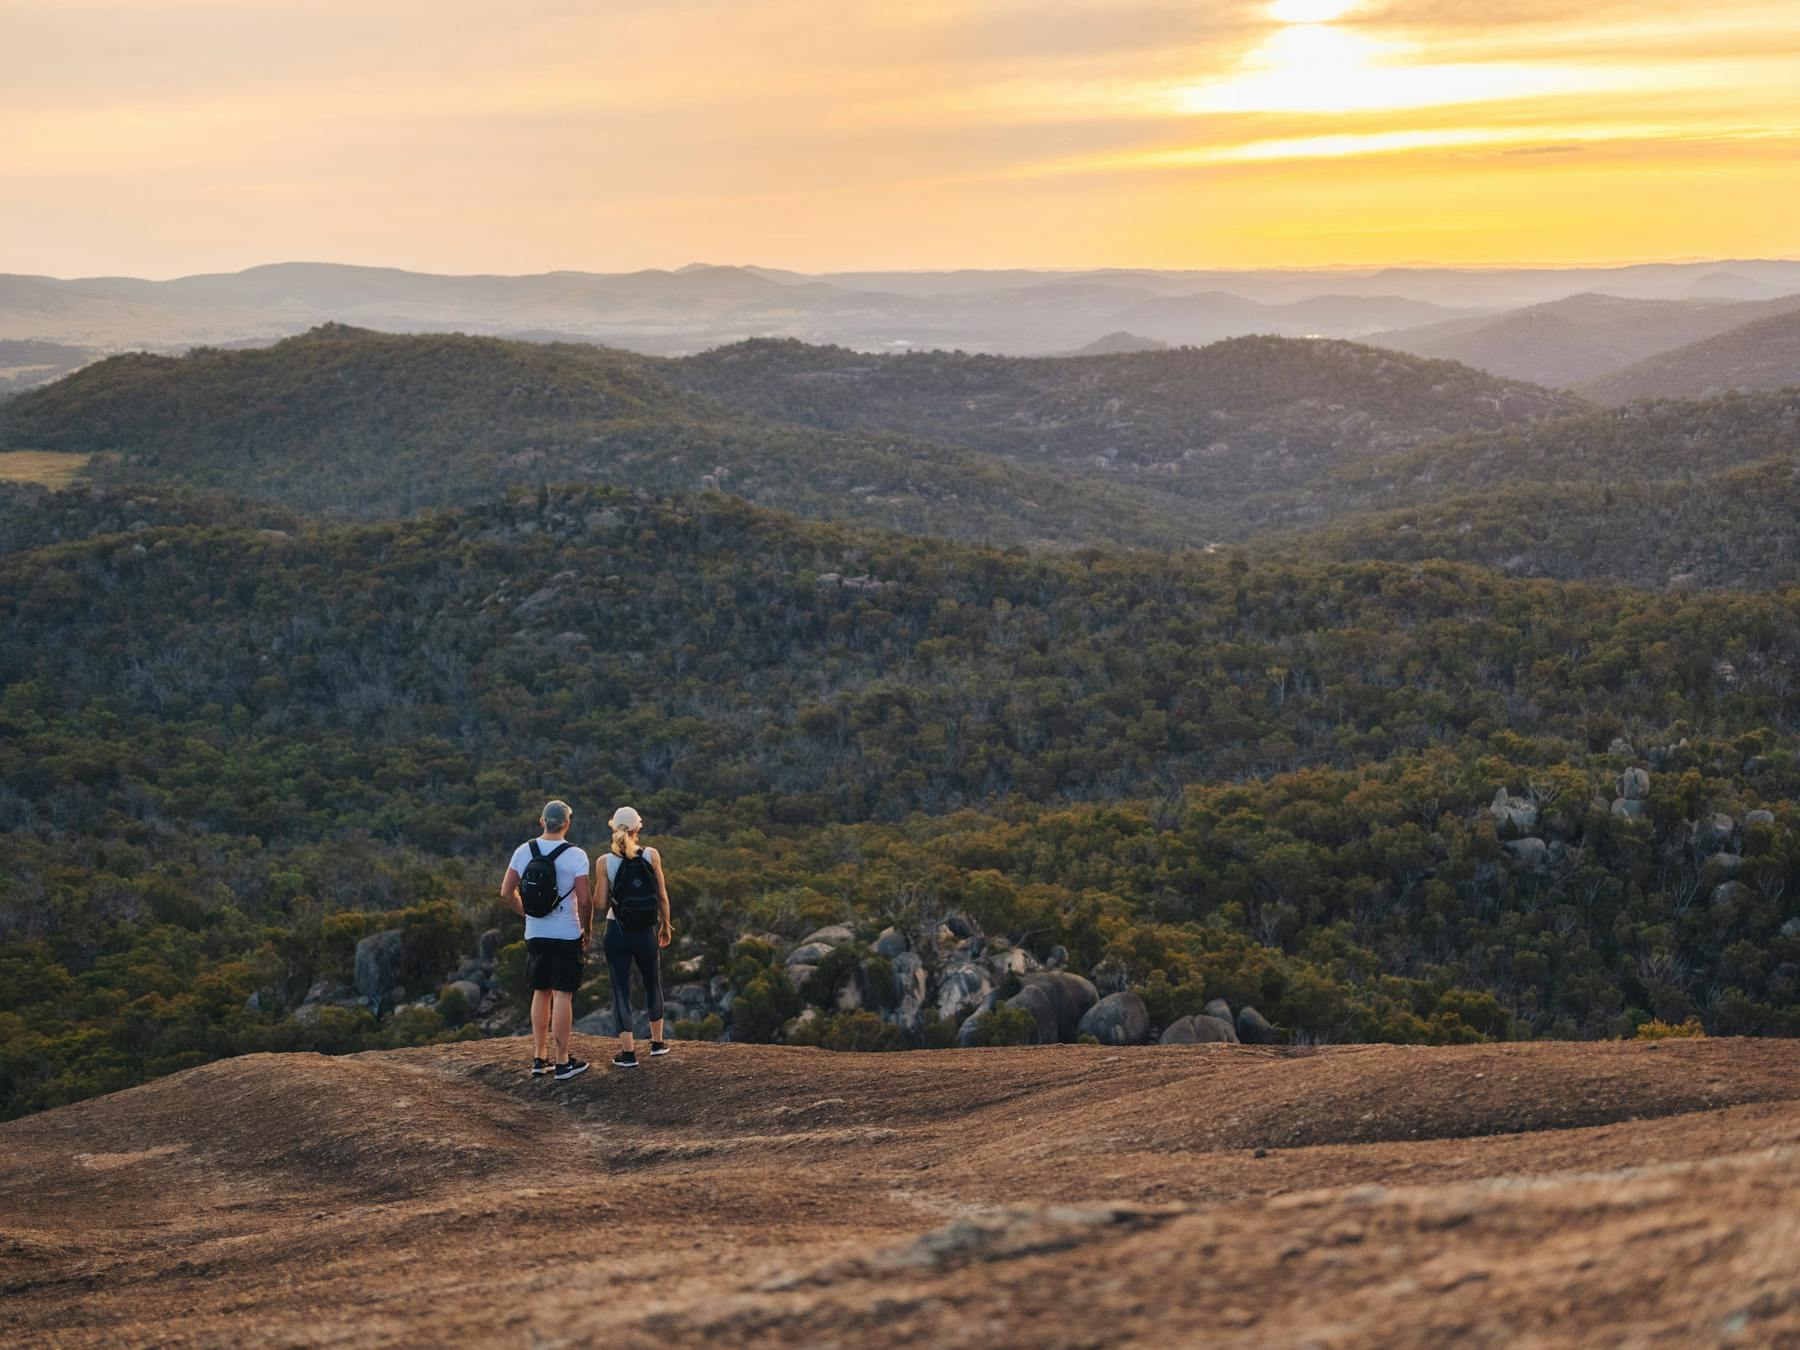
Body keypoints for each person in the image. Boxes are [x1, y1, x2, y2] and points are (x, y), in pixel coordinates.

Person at [500, 799, 592, 1081]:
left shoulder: (523, 851)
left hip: (535, 932)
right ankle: (563, 1062)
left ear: (542, 822)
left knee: (541, 991)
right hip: (566, 933)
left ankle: (539, 1058)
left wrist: (528, 914)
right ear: (567, 824)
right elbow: (585, 900)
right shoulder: (577, 856)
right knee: (563, 993)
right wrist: (587, 930)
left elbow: (506, 892)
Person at [598, 805, 672, 1069]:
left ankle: (628, 1053)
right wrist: (666, 925)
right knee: (652, 981)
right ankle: (657, 1043)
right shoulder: (651, 855)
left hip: (616, 931)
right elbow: (662, 894)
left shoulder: (604, 862)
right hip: (645, 931)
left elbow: (599, 903)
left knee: (620, 988)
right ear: (638, 828)